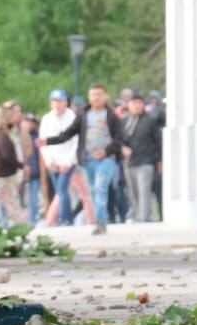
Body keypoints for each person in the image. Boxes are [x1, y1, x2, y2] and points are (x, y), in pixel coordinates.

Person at [39, 83, 124, 234]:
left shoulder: (112, 116)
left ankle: (100, 223)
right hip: (88, 159)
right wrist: (48, 141)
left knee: (100, 187)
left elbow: (119, 138)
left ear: (105, 96)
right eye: (93, 95)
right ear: (89, 97)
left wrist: (106, 151)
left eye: (99, 94)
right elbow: (68, 134)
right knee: (92, 190)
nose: (96, 98)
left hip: (106, 159)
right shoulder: (83, 115)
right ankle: (98, 220)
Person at [121, 91, 162, 223]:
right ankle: (139, 216)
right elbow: (119, 139)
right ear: (128, 105)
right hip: (129, 162)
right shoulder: (124, 121)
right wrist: (122, 148)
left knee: (144, 191)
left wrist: (160, 160)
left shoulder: (150, 121)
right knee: (134, 193)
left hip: (146, 161)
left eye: (139, 103)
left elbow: (158, 141)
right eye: (133, 103)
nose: (136, 106)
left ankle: (144, 218)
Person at [22, 112, 43, 223]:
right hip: (21, 173)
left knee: (33, 199)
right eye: (27, 122)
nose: (29, 124)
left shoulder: (38, 137)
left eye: (32, 122)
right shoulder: (19, 136)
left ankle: (32, 220)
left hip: (35, 173)